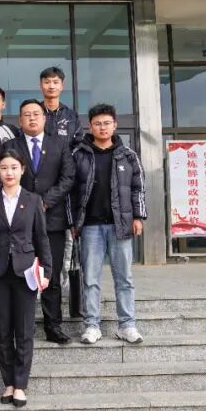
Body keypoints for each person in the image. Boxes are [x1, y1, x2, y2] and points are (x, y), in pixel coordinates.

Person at [0, 148, 51, 408]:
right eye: (4, 168)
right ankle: (8, 381)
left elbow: (41, 237)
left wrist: (47, 270)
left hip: (25, 271)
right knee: (3, 330)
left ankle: (20, 384)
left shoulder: (33, 200)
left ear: (22, 170)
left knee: (24, 330)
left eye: (13, 167)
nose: (9, 172)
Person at [70, 103, 147, 346]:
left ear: (115, 125)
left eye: (106, 123)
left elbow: (138, 188)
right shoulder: (79, 154)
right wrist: (73, 222)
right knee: (90, 278)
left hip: (120, 225)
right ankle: (92, 325)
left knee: (124, 278)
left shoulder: (128, 155)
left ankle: (127, 325)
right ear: (90, 126)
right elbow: (70, 192)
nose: (102, 127)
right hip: (90, 226)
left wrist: (138, 217)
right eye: (97, 124)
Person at [9, 99, 76, 345]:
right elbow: (4, 177)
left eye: (36, 114)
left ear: (45, 118)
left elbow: (68, 177)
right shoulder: (11, 146)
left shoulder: (60, 144)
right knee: (18, 274)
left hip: (52, 220)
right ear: (20, 120)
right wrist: (28, 205)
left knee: (51, 275)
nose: (32, 118)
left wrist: (45, 201)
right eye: (26, 114)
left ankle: (53, 326)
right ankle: (19, 326)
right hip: (19, 222)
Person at [39, 66, 82, 142]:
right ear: (40, 86)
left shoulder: (71, 115)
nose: (51, 86)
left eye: (55, 82)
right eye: (47, 82)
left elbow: (78, 141)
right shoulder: (34, 113)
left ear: (62, 86)